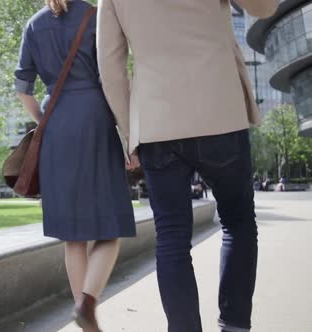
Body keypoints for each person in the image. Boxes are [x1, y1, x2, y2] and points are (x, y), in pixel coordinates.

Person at [96, 0, 279, 331]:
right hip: (219, 111)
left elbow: (110, 65)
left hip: (155, 123)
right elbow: (264, 8)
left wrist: (130, 131)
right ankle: (234, 325)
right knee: (238, 222)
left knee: (171, 237)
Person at [14, 1, 136, 330]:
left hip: (56, 124)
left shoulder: (33, 25)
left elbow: (23, 89)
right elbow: (112, 77)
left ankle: (82, 310)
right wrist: (129, 136)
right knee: (110, 229)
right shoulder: (95, 16)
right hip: (96, 120)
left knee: (73, 237)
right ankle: (88, 305)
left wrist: (45, 122)